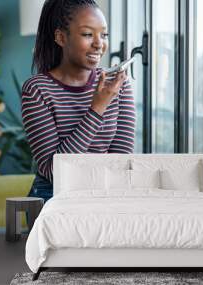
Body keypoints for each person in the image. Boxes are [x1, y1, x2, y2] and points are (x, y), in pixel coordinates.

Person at [21, 0, 136, 201]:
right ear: (61, 37)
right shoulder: (37, 90)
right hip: (54, 195)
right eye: (87, 34)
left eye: (104, 34)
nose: (99, 43)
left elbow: (121, 164)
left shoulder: (118, 85)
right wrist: (98, 107)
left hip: (103, 193)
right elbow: (54, 171)